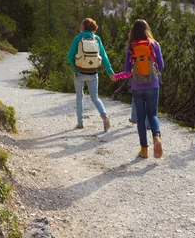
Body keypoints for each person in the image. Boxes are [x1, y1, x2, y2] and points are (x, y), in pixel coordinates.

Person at [124, 19, 164, 159]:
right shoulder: (154, 45)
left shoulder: (131, 47)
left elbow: (127, 69)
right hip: (153, 84)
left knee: (141, 117)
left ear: (133, 32)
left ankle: (144, 150)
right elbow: (162, 65)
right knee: (152, 114)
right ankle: (157, 137)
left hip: (137, 85)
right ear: (147, 29)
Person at [67, 18, 115, 131]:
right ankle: (104, 116)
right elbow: (104, 57)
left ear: (84, 27)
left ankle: (80, 122)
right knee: (95, 97)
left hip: (79, 72)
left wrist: (76, 65)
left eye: (81, 24)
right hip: (93, 72)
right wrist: (110, 72)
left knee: (80, 96)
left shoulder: (78, 38)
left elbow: (70, 56)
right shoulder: (97, 39)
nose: (80, 26)